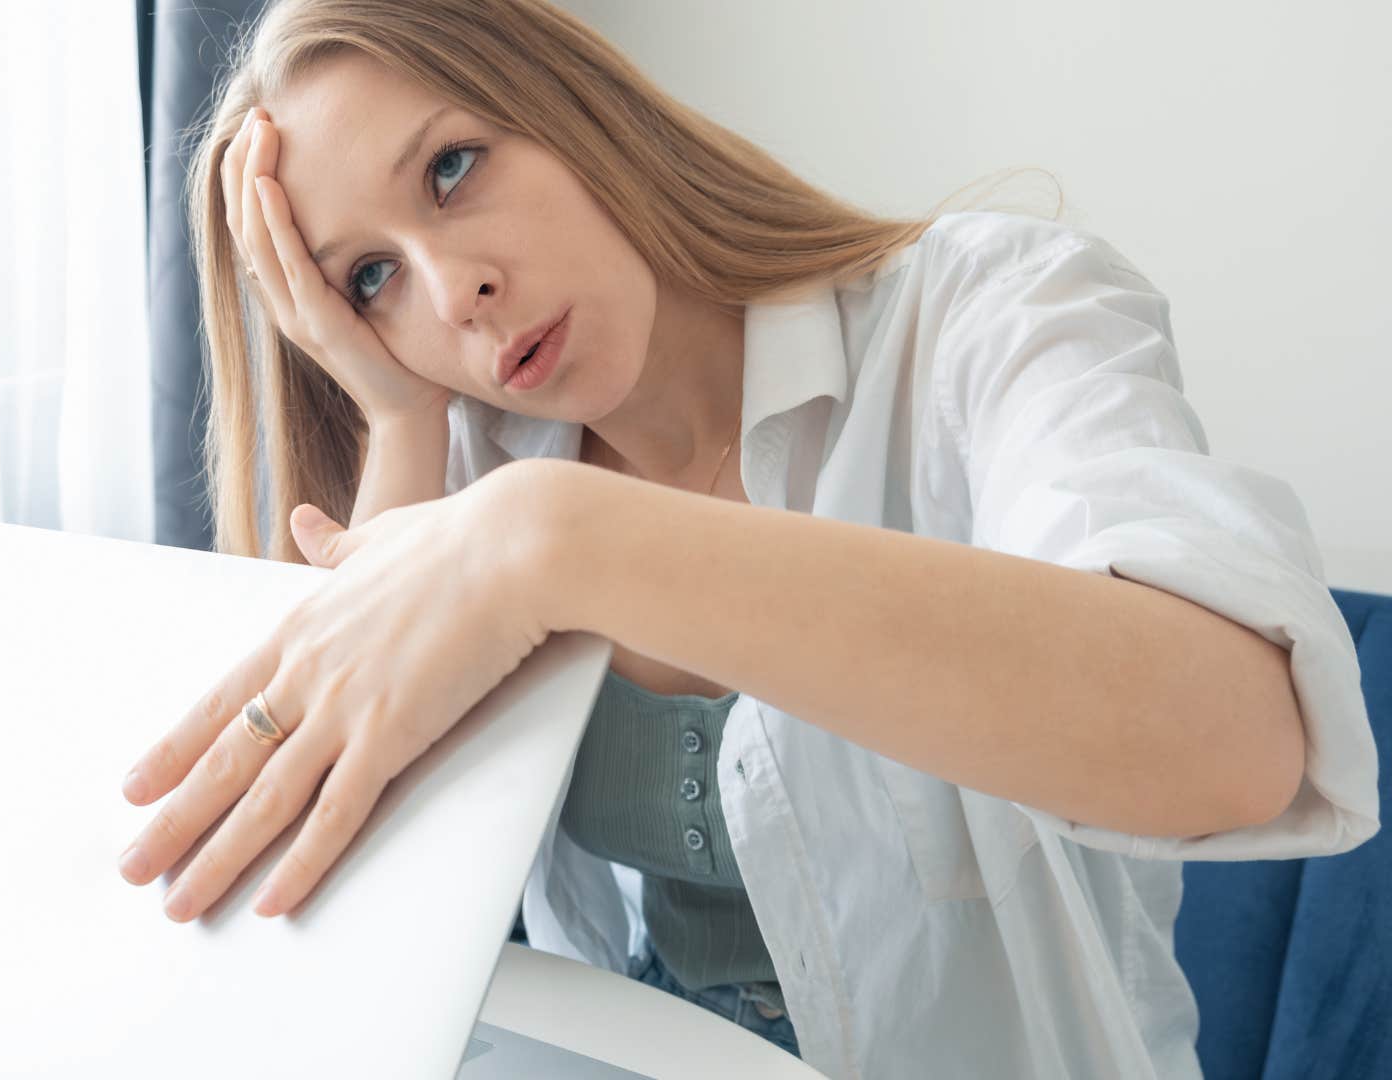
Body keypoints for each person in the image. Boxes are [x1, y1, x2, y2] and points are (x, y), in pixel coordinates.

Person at [113, 1, 1382, 1076]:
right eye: (369, 281)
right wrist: (396, 422)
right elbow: (310, 935)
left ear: (575, 106)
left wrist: (564, 537)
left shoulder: (988, 316)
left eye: (453, 168)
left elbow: (1239, 748)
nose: (454, 294)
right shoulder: (466, 488)